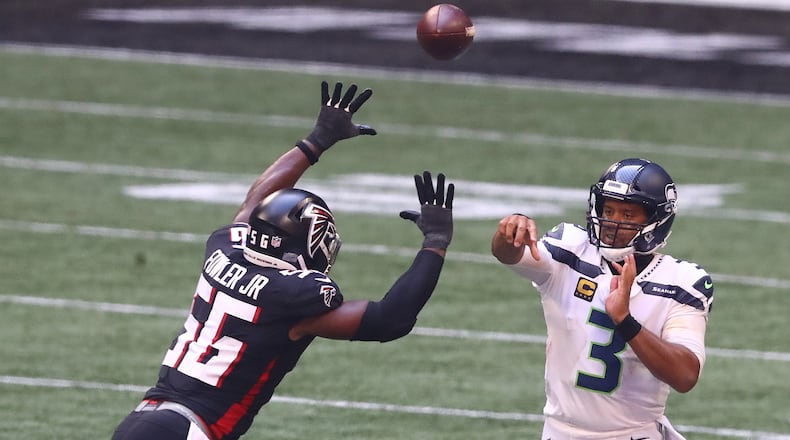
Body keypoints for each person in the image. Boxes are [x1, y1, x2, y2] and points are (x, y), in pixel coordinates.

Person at [112, 80, 455, 440]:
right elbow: (390, 320)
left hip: (143, 418)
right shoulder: (292, 297)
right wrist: (435, 242)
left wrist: (317, 139)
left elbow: (255, 202)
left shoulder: (224, 248)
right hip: (187, 430)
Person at [491, 158, 714, 440]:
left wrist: (625, 320)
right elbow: (509, 255)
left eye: (628, 214)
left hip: (633, 434)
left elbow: (685, 375)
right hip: (560, 433)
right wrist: (508, 234)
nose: (612, 222)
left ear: (655, 221)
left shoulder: (681, 282)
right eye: (608, 210)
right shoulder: (571, 249)